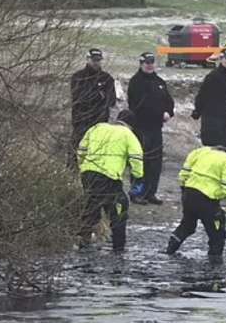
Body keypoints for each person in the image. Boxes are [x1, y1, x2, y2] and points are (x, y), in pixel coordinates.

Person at [164, 131, 226, 264]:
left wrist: (184, 190)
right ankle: (214, 267)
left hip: (189, 194)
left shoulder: (201, 151)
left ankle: (169, 251)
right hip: (207, 200)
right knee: (217, 234)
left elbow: (183, 173)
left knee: (187, 226)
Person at [77, 109, 143, 252]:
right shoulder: (128, 134)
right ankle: (118, 248)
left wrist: (82, 166)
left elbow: (81, 149)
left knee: (91, 206)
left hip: (88, 174)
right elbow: (136, 157)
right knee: (119, 209)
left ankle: (83, 242)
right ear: (130, 125)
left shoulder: (97, 128)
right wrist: (138, 177)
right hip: (109, 177)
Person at [127, 52, 175, 205]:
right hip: (141, 128)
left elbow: (169, 101)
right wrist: (154, 113)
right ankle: (137, 193)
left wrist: (168, 112)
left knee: (155, 163)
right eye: (146, 62)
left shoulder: (159, 82)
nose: (149, 65)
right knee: (141, 162)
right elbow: (136, 105)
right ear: (141, 63)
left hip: (156, 128)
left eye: (151, 62)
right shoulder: (136, 82)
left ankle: (150, 192)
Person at [70, 48, 117, 165]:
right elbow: (79, 98)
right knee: (76, 152)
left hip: (100, 123)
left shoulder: (107, 78)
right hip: (81, 121)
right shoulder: (78, 77)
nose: (97, 63)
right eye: (94, 60)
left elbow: (111, 100)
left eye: (99, 60)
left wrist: (97, 96)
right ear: (88, 59)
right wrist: (99, 95)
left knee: (97, 154)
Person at [191, 48, 226, 146]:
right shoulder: (213, 76)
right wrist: (197, 111)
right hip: (210, 117)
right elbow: (202, 94)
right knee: (211, 145)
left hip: (223, 117)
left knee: (225, 145)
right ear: (221, 59)